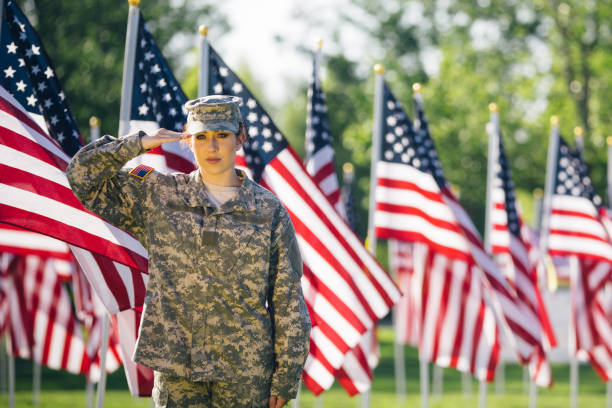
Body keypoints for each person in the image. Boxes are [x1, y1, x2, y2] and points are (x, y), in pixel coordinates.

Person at [67, 95, 311, 408]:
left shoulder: (268, 210)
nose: (212, 147)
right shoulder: (159, 194)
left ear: (240, 138)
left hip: (246, 372)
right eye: (201, 136)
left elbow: (288, 298)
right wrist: (140, 143)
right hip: (177, 370)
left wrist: (287, 373)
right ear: (187, 140)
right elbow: (81, 176)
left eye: (222, 136)